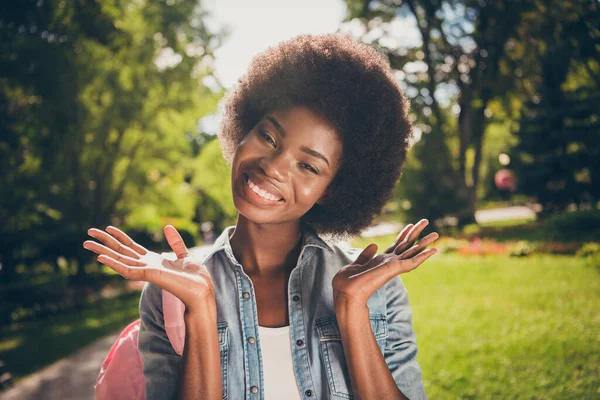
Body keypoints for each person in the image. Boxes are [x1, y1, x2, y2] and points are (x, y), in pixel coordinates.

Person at [83, 34, 439, 400]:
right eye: (268, 137)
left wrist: (351, 310)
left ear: (332, 189)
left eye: (307, 165)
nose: (273, 167)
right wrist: (201, 311)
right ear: (244, 127)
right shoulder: (170, 291)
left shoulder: (378, 292)